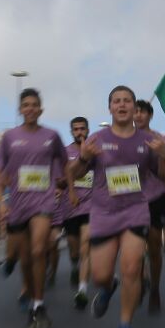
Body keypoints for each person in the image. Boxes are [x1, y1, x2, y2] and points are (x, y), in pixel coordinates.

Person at [66, 86, 165, 328]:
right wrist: (84, 157)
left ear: (134, 108)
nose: (122, 105)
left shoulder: (147, 141)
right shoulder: (97, 139)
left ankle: (125, 323)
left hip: (136, 210)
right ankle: (107, 287)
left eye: (127, 101)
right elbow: (74, 173)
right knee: (100, 275)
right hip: (103, 212)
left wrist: (162, 156)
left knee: (132, 267)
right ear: (110, 107)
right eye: (117, 101)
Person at [0, 88, 66, 328]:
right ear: (20, 109)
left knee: (38, 249)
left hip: (43, 202)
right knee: (24, 259)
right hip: (18, 203)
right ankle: (27, 285)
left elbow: (63, 162)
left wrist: (62, 185)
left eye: (35, 104)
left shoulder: (52, 136)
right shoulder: (9, 137)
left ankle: (39, 304)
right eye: (26, 105)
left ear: (41, 109)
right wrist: (1, 201)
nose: (31, 108)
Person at [133, 100, 165, 314]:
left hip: (154, 199)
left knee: (154, 248)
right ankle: (139, 282)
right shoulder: (124, 138)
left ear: (150, 116)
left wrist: (160, 154)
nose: (138, 116)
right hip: (130, 201)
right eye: (135, 112)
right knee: (135, 250)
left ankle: (155, 288)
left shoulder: (159, 139)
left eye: (143, 112)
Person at [63, 117, 94, 309]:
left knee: (85, 247)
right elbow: (59, 176)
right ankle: (74, 265)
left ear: (88, 129)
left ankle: (82, 290)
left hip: (92, 206)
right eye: (76, 129)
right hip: (71, 208)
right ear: (71, 132)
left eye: (82, 128)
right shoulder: (65, 152)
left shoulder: (95, 150)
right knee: (74, 250)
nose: (79, 132)